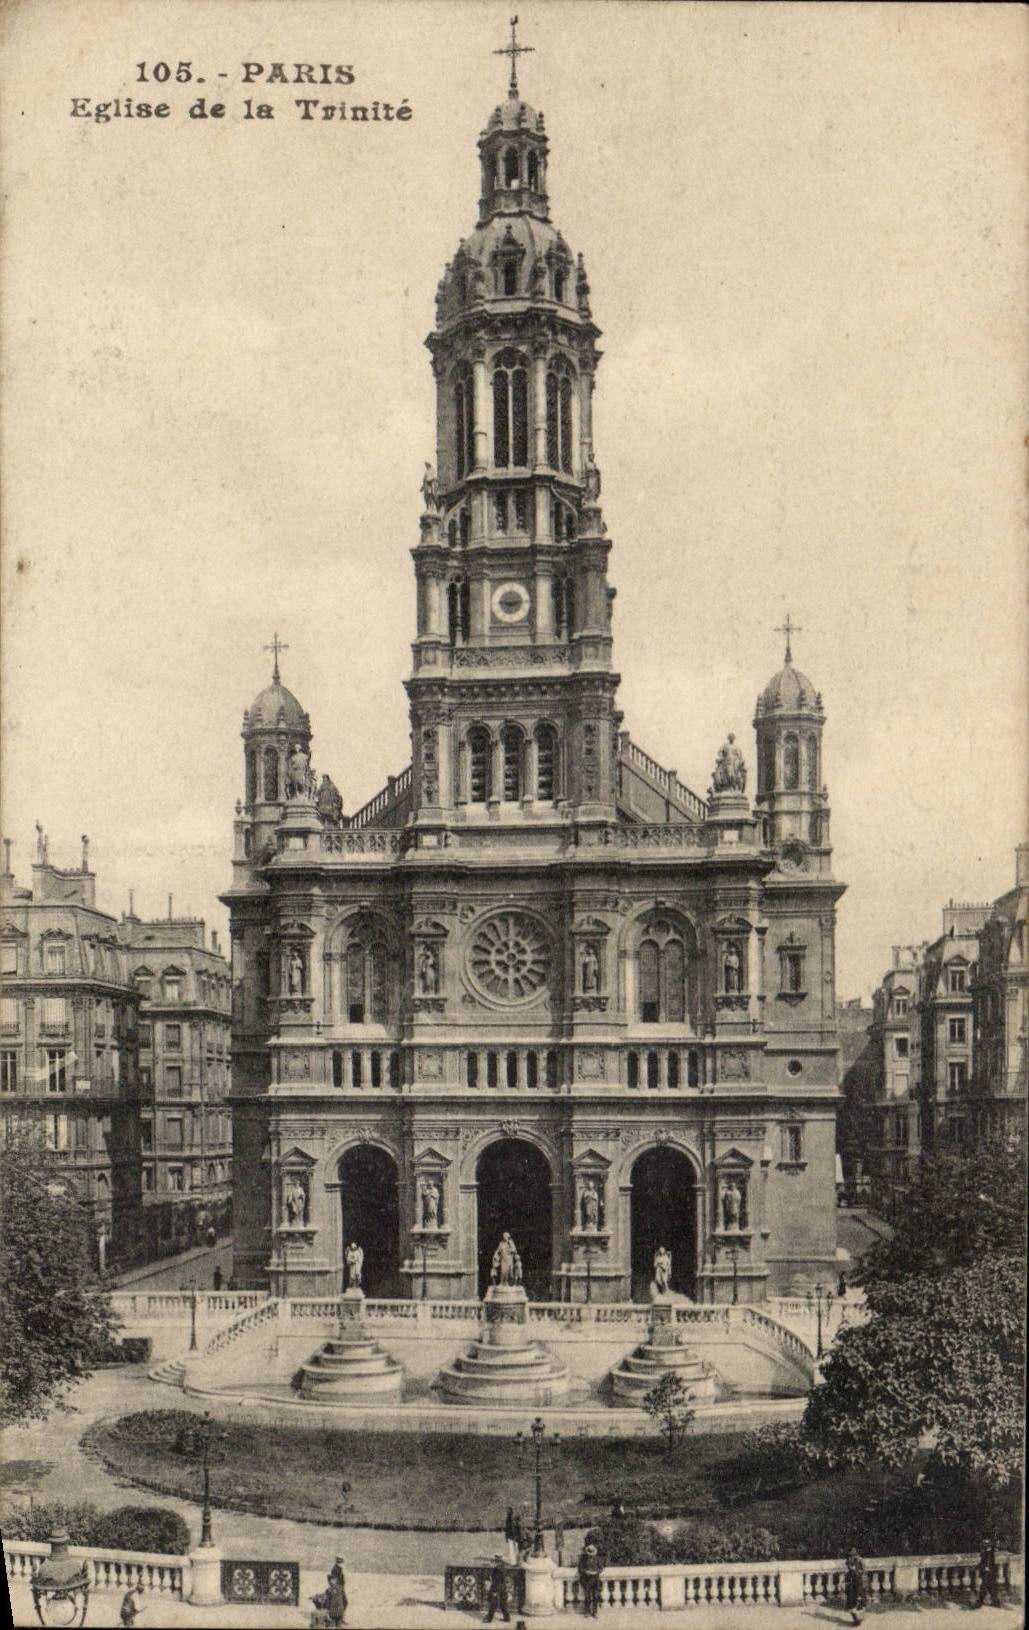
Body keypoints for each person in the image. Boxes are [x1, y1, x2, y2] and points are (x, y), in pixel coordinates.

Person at [974, 1537, 1001, 1609]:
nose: (984, 1546)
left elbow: (987, 1562)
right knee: (991, 1587)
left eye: (986, 1544)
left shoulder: (988, 1553)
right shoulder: (988, 1552)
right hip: (991, 1572)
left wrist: (985, 1567)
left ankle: (980, 1602)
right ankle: (996, 1602)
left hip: (988, 1572)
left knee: (984, 1587)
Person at [578, 1542, 603, 1619]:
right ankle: (587, 1612)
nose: (590, 1555)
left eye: (592, 1553)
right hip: (587, 1580)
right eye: (589, 1553)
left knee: (595, 1596)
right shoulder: (583, 1559)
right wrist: (586, 1572)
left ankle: (595, 1612)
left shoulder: (597, 1558)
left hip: (595, 1580)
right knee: (587, 1596)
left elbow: (601, 1568)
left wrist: (597, 1572)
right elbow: (580, 1569)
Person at [843, 1550, 867, 1626]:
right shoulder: (848, 1562)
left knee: (860, 1601)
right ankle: (856, 1620)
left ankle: (859, 1619)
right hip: (851, 1584)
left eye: (853, 1555)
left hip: (858, 1582)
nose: (852, 1557)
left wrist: (857, 1571)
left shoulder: (860, 1560)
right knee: (851, 1602)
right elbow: (846, 1573)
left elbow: (865, 1571)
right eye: (850, 1556)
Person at [484, 1554, 510, 1624]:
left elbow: (496, 1581)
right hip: (503, 1588)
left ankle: (489, 1619)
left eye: (495, 1561)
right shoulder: (503, 1568)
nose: (494, 1563)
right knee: (503, 1604)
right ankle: (507, 1618)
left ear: (498, 1562)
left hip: (497, 1589)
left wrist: (494, 1591)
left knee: (493, 1604)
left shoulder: (497, 1570)